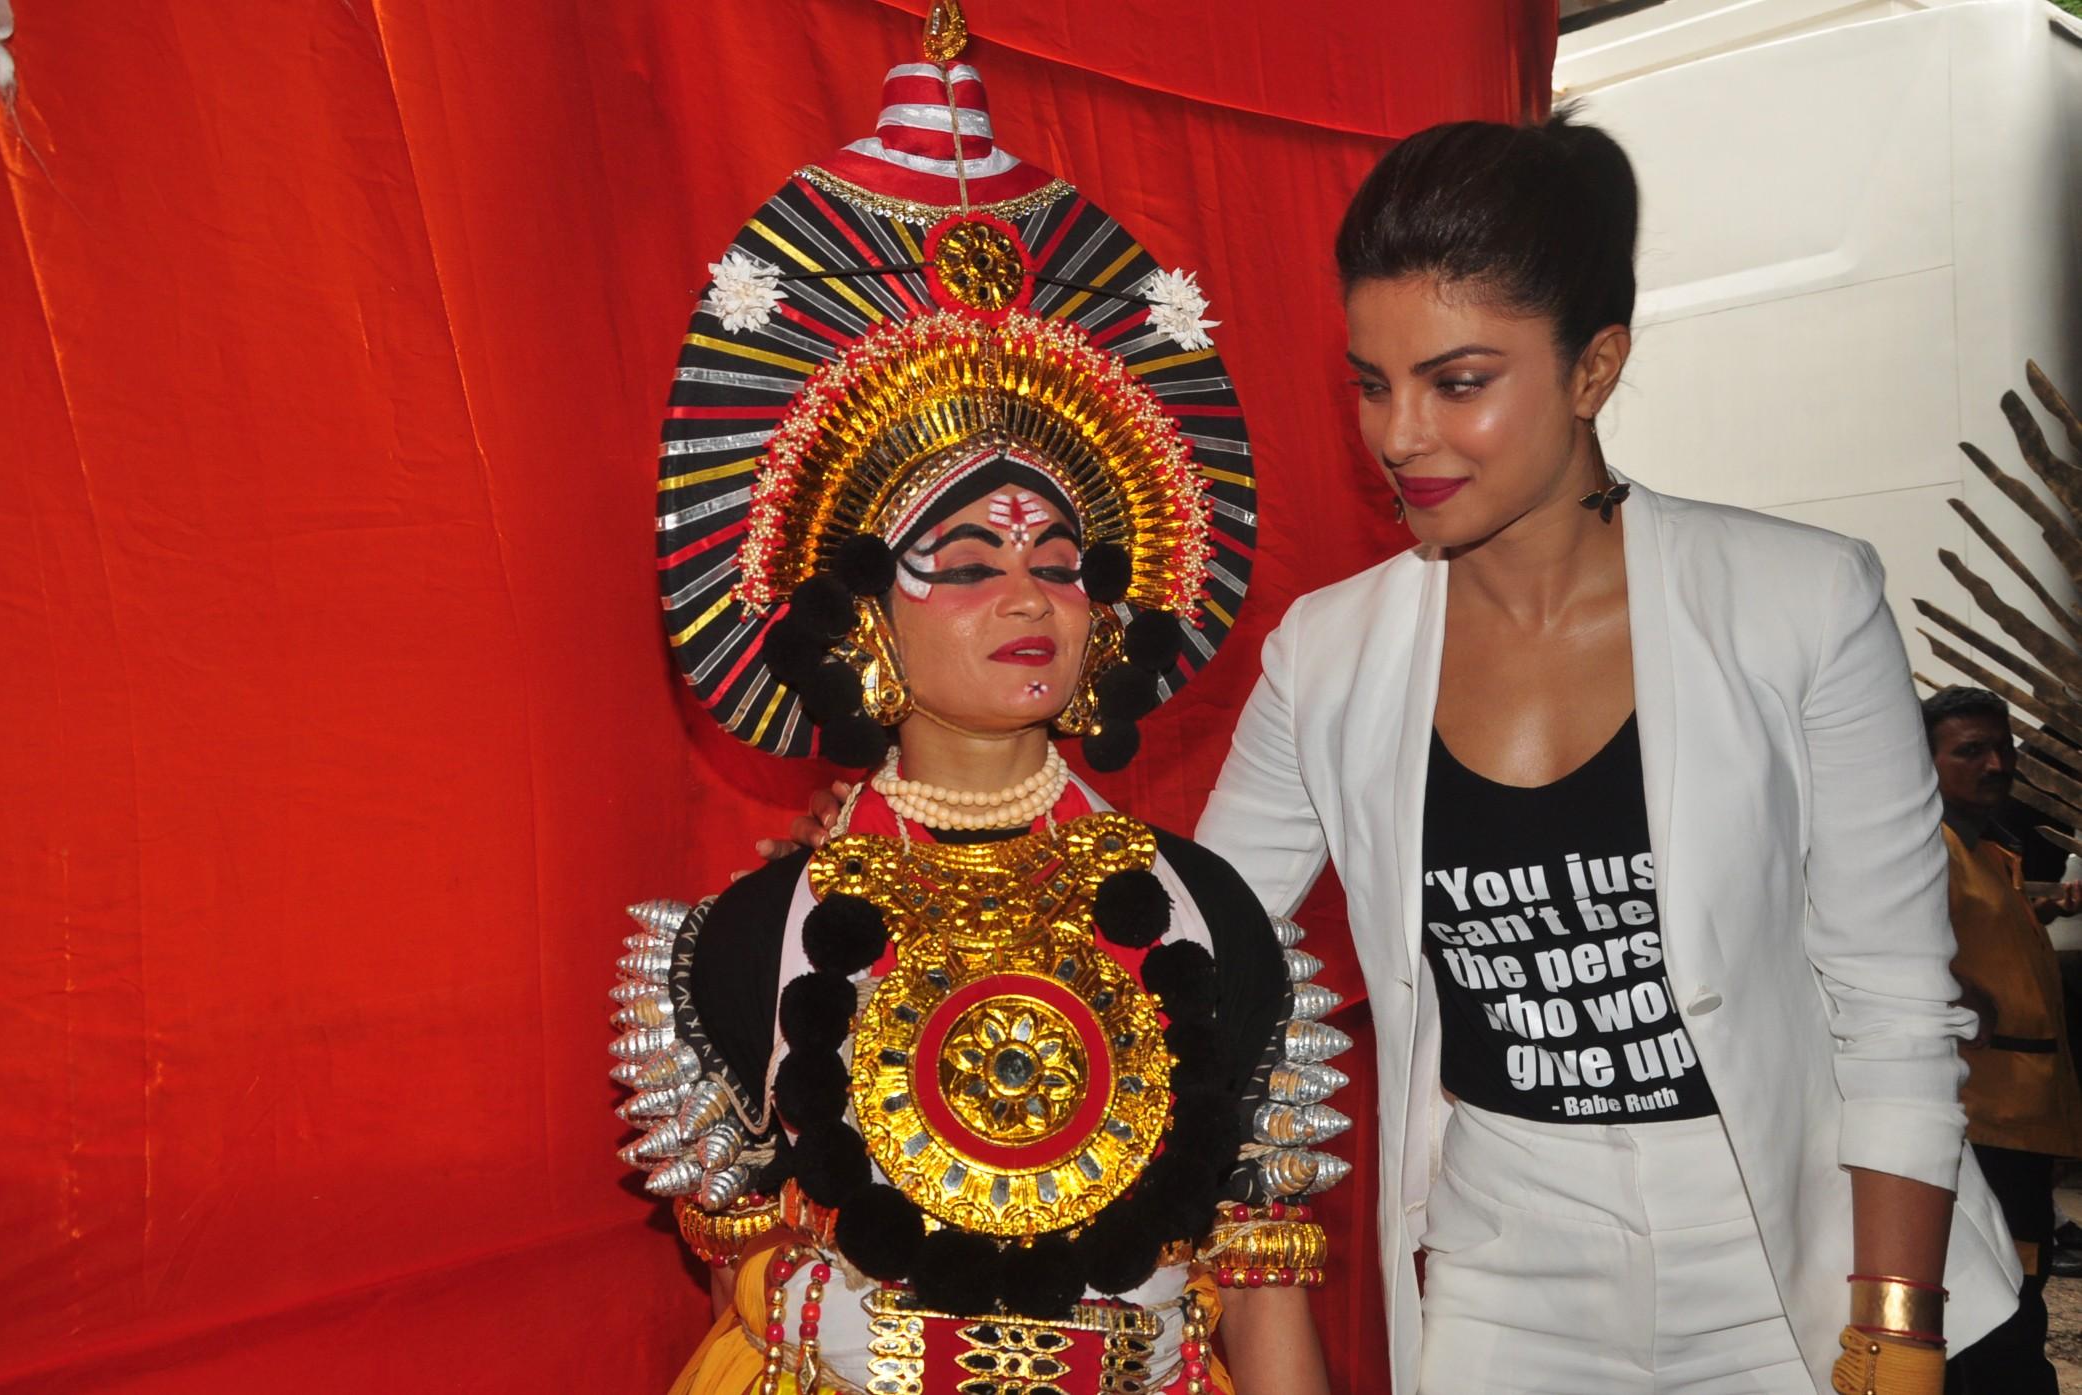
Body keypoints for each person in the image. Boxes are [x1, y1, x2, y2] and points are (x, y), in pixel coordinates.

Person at [763, 111, 2026, 1394]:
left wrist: (1895, 1327)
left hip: (1806, 1259)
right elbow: (1186, 936)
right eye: (1373, 383)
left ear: (1594, 369)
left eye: (1458, 383)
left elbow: (1893, 1002)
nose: (1401, 434)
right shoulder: (1332, 654)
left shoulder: (1800, 601)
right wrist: (919, 853)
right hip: (1509, 1281)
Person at [608, 12, 1341, 1394]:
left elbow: (1268, 1299)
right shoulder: (750, 942)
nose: (1030, 598)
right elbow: (743, 1306)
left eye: (1060, 565)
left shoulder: (1210, 916)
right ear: (862, 614)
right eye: (967, 564)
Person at [1922, 685, 2082, 1394]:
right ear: (1922, 760)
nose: (1997, 763)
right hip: (1980, 1127)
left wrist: (2045, 907)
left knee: (2018, 1294)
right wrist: (1954, 990)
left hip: (2023, 1122)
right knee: (1999, 1312)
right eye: (1971, 750)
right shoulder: (1924, 850)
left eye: (2003, 747)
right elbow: (1883, 948)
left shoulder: (1984, 850)